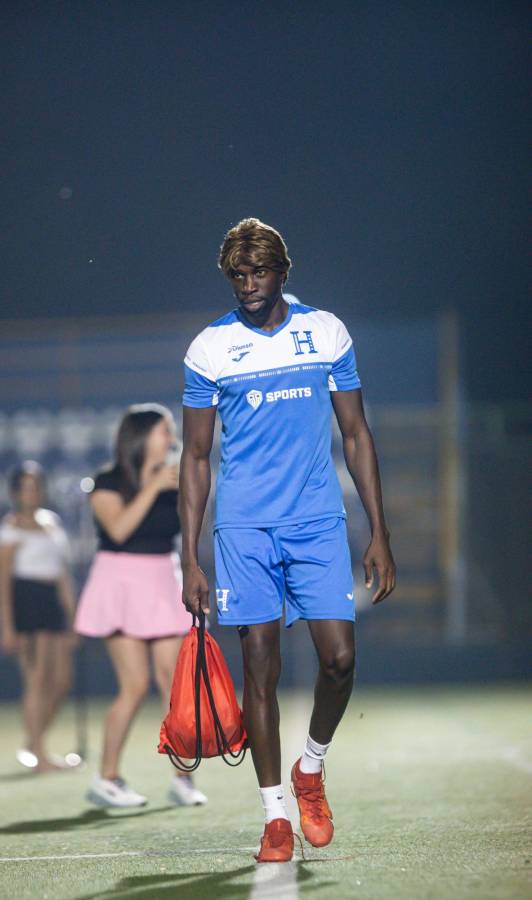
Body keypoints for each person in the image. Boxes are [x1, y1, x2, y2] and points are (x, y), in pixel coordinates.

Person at [179, 218, 396, 861]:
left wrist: (379, 531)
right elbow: (194, 456)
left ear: (283, 272)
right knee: (260, 671)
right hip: (243, 527)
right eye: (238, 276)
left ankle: (311, 768)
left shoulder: (325, 331)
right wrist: (189, 556)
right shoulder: (208, 348)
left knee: (340, 659)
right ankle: (275, 817)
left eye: (259, 273)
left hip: (317, 521)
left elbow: (355, 433)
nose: (248, 286)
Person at [75, 403, 207, 808]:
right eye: (164, 430)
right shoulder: (107, 481)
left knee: (173, 683)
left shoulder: (176, 478)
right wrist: (152, 485)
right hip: (119, 581)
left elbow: (188, 530)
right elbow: (119, 528)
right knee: (132, 686)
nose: (170, 437)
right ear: (143, 436)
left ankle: (184, 779)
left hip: (162, 578)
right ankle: (107, 778)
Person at [0, 461, 77, 772]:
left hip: (52, 603)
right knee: (36, 679)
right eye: (26, 487)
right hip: (26, 601)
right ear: (16, 492)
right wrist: (7, 626)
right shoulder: (9, 530)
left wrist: (72, 618)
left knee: (61, 680)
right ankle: (40, 756)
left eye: (36, 487)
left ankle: (33, 743)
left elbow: (62, 574)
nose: (32, 493)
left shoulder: (51, 522)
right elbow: (3, 582)